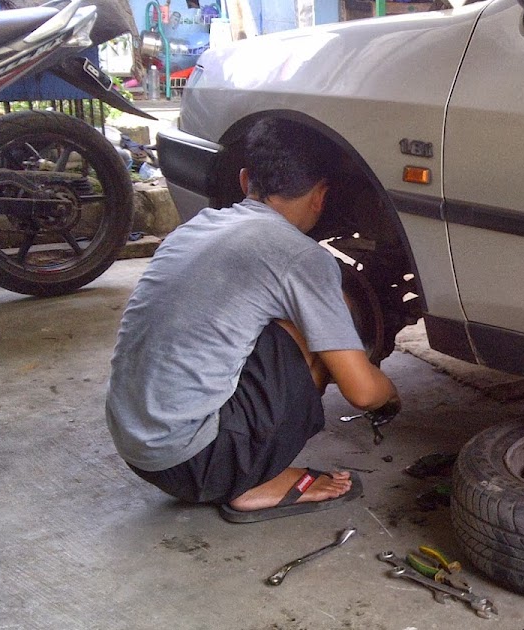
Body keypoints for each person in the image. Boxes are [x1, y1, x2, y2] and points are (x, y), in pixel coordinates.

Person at [106, 118, 399, 523]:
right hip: (196, 462)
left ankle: (237, 459)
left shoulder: (196, 229)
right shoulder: (301, 258)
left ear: (245, 180)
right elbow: (363, 393)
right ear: (321, 196)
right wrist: (391, 394)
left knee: (276, 324)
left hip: (138, 448)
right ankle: (254, 481)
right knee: (316, 334)